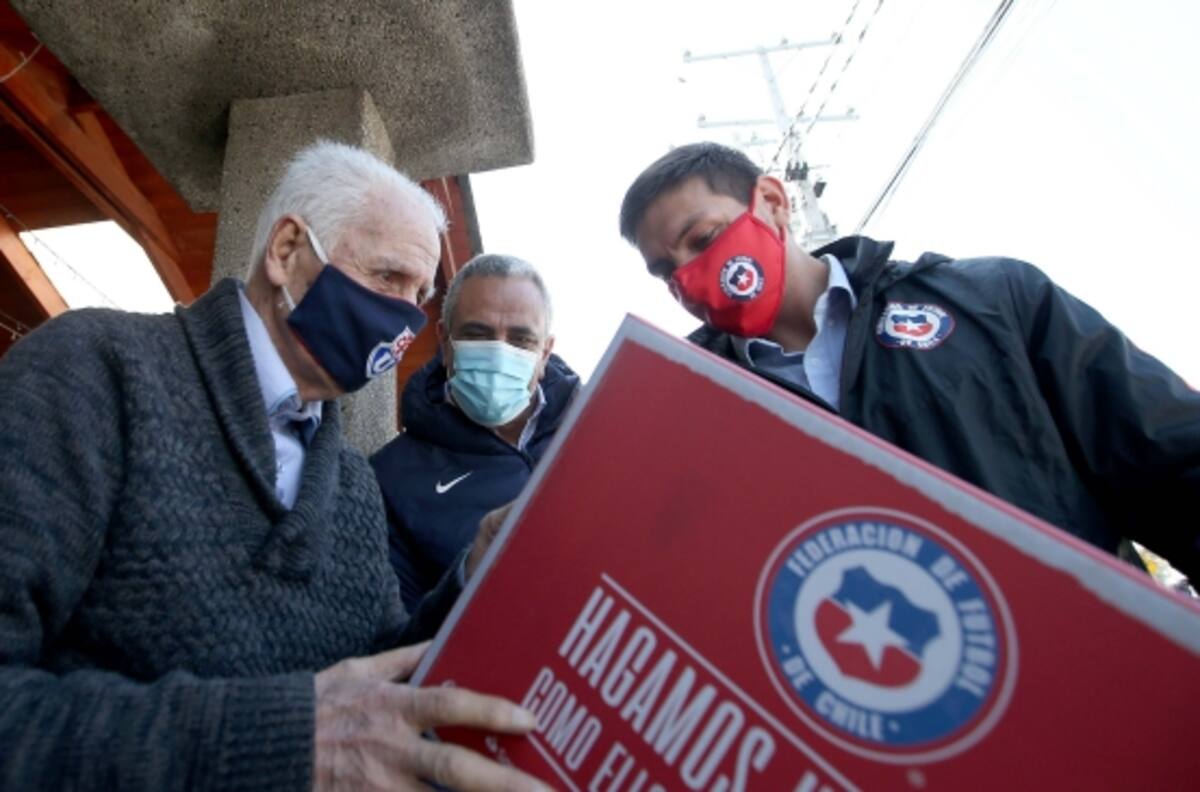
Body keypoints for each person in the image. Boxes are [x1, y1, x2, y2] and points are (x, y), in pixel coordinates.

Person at [0, 141, 548, 792]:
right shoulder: (95, 371)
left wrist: (471, 577)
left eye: (419, 299)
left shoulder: (350, 485)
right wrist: (280, 744)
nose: (405, 321)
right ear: (288, 251)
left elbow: (369, 681)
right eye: (389, 279)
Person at [619, 141, 1200, 582]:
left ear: (771, 202)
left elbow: (1170, 459)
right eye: (665, 271)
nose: (688, 279)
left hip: (1087, 664)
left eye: (703, 239)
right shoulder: (688, 408)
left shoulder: (993, 301)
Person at [372, 254, 579, 610]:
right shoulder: (386, 480)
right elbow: (399, 635)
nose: (499, 354)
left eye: (521, 340)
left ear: (545, 353)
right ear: (445, 342)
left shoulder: (602, 433)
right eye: (477, 334)